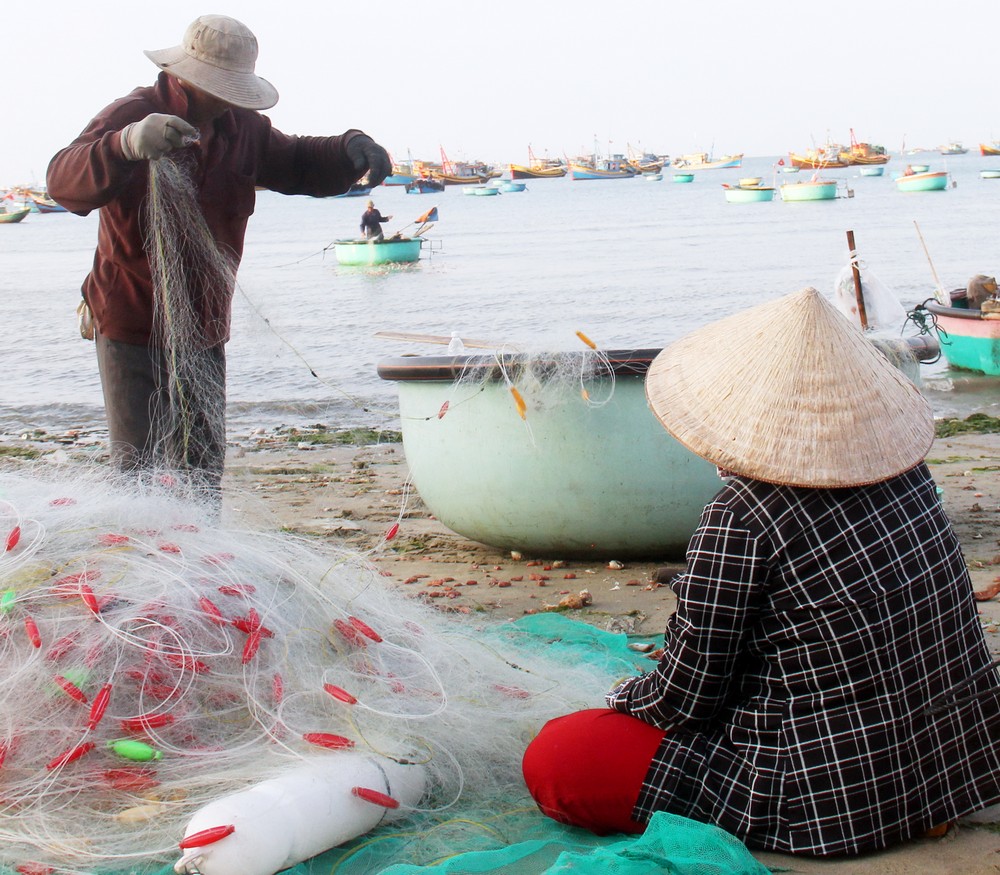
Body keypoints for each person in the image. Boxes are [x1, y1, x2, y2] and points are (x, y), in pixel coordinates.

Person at [522, 287, 1000, 857]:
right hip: (956, 756)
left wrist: (621, 696)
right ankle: (926, 810)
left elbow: (684, 698)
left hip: (827, 793)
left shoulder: (742, 517)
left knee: (561, 755)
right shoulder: (906, 471)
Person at [46, 14, 391, 498]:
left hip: (204, 325)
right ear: (184, 75)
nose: (229, 98)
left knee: (202, 471)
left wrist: (350, 147)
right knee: (140, 472)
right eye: (220, 87)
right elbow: (62, 180)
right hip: (131, 319)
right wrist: (123, 144)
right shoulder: (132, 113)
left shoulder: (242, 127)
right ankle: (145, 565)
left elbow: (295, 161)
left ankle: (201, 562)